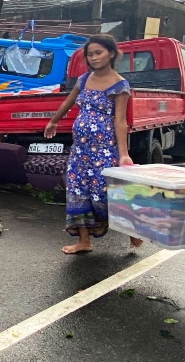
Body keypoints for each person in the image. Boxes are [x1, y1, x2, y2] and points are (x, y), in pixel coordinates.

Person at [44, 34, 140, 254]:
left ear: (112, 53)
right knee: (77, 192)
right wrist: (53, 122)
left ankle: (132, 230)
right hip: (80, 151)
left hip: (104, 151)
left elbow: (120, 121)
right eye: (90, 54)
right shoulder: (84, 79)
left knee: (105, 194)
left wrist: (123, 154)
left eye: (99, 53)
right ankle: (84, 241)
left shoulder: (120, 85)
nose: (94, 58)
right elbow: (68, 102)